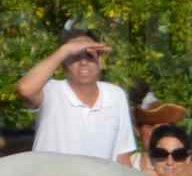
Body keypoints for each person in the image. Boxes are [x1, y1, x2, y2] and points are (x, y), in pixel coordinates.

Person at [17, 29, 137, 163]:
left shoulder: (116, 95)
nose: (83, 62)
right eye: (74, 56)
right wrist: (65, 50)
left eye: (89, 55)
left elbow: (122, 156)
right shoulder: (50, 90)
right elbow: (25, 89)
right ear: (63, 64)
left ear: (101, 62)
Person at [128, 98, 190, 176]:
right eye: (150, 125)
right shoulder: (125, 164)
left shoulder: (184, 167)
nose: (156, 131)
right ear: (137, 130)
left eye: (163, 127)